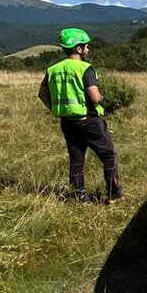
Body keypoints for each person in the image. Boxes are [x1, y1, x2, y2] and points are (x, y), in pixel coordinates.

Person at [38, 28, 122, 202]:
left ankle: (79, 195)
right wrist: (102, 98)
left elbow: (42, 94)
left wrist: (55, 109)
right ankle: (114, 194)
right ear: (78, 48)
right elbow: (94, 96)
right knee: (108, 155)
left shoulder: (53, 69)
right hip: (89, 119)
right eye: (86, 46)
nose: (88, 49)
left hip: (67, 121)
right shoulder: (86, 69)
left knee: (76, 158)